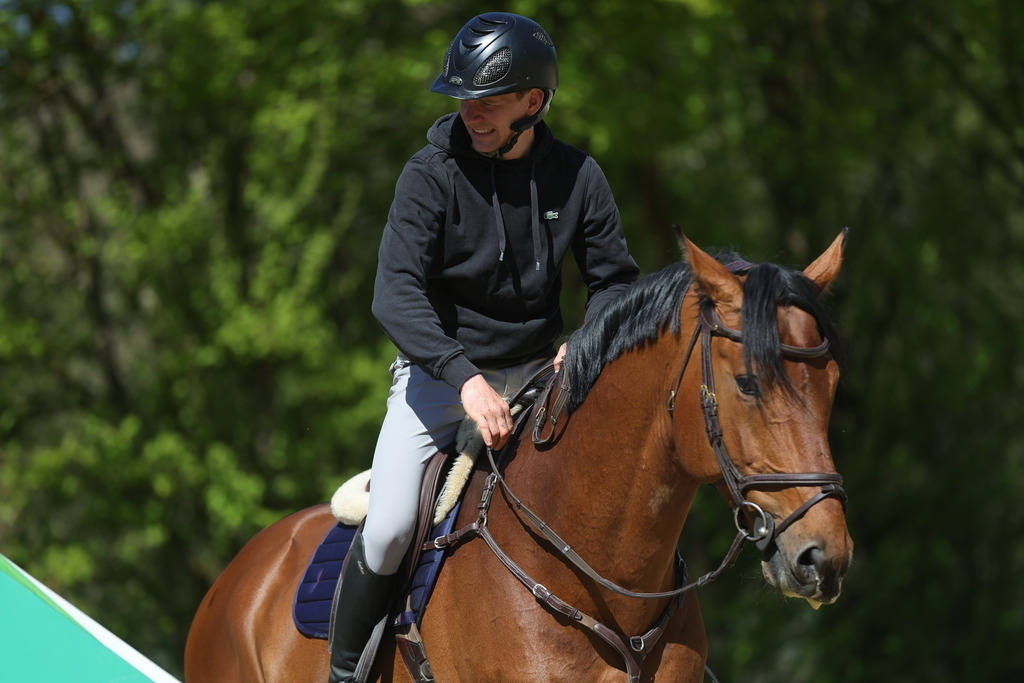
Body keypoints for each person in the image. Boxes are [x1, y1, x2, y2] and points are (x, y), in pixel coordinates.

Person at [327, 12, 640, 682]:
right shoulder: (430, 174)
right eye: (463, 98)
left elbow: (615, 281)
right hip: (439, 379)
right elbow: (395, 292)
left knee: (618, 484)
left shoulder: (580, 178)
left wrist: (583, 341)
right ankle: (345, 675)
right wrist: (465, 378)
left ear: (534, 101)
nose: (472, 112)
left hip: (539, 376)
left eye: (489, 101)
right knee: (385, 531)